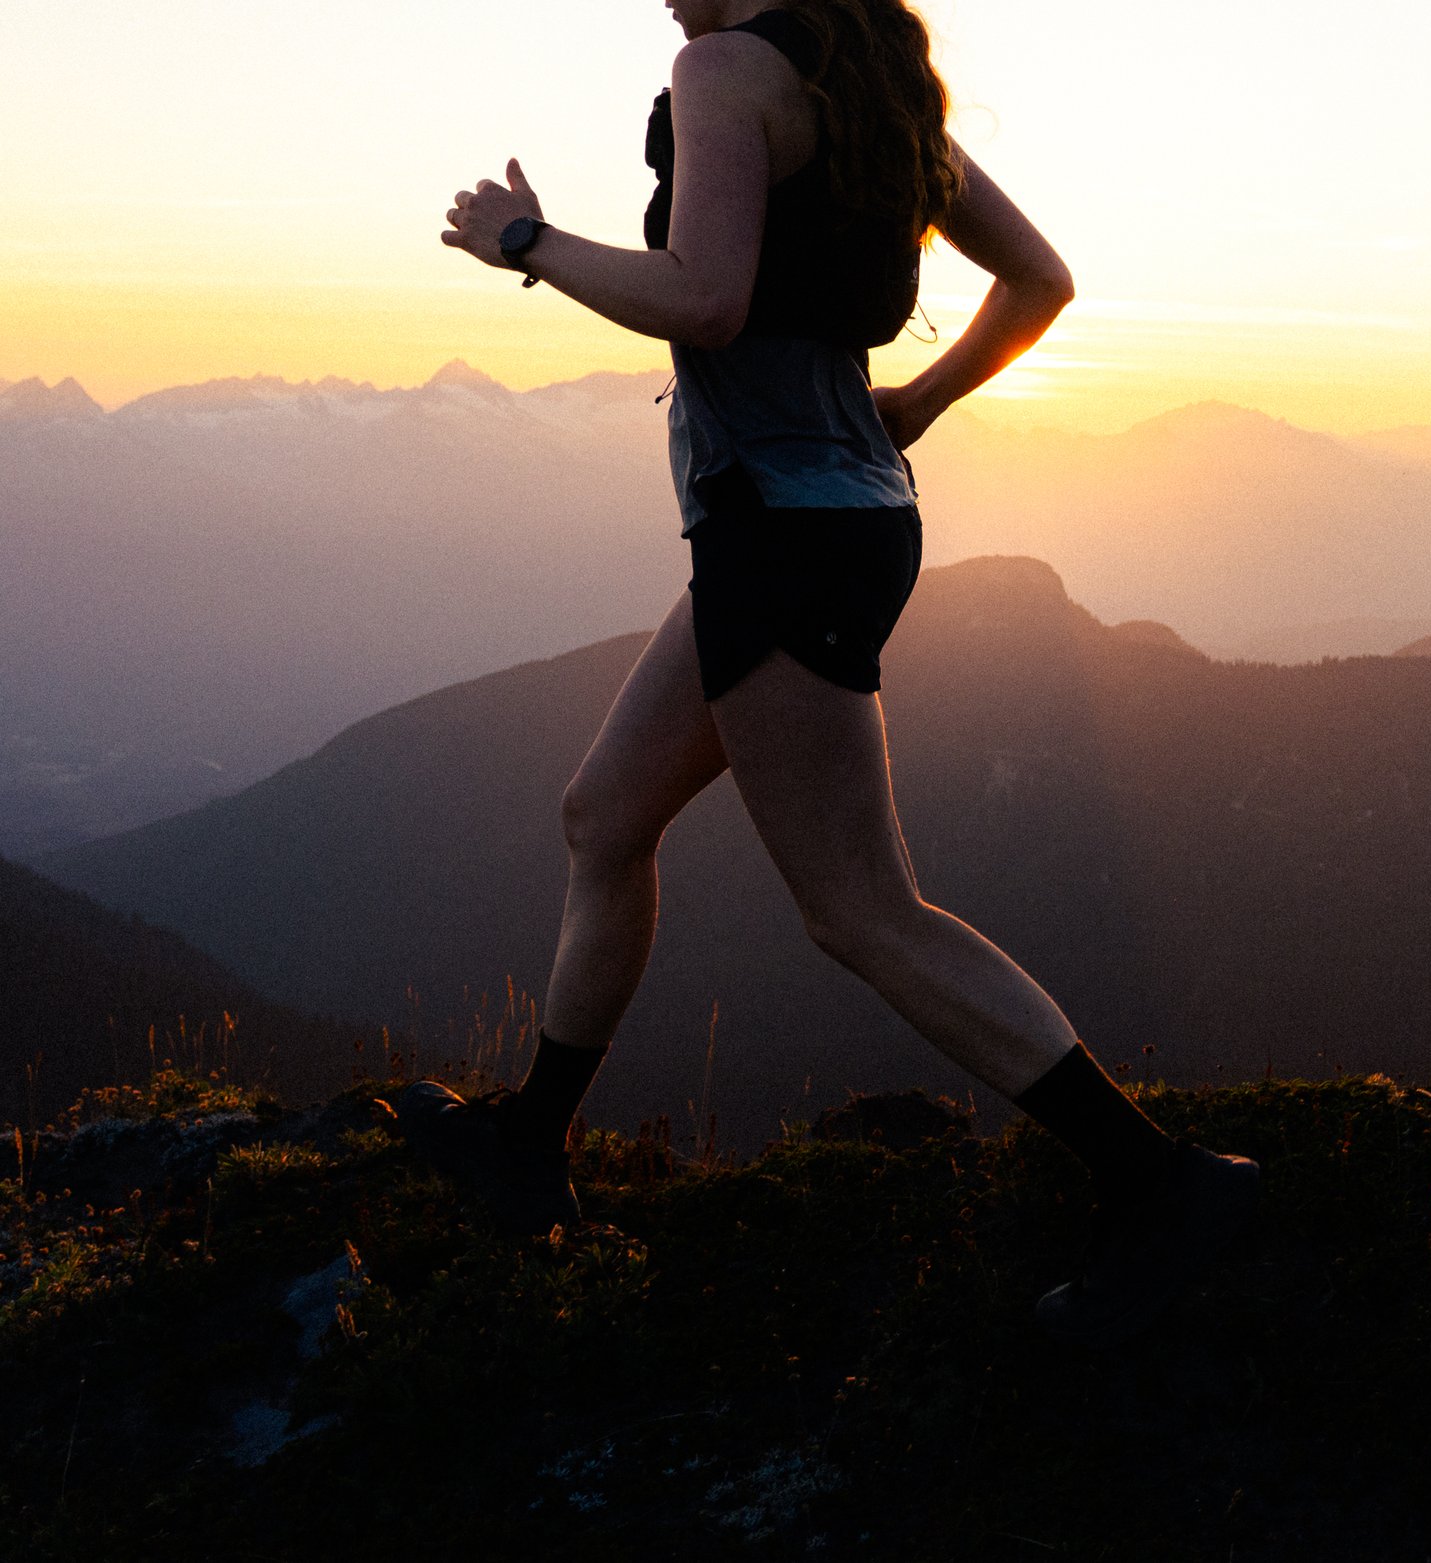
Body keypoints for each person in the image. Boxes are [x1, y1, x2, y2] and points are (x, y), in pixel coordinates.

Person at [415, 0, 1256, 1347]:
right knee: (604, 815)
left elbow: (707, 296)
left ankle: (1167, 1184)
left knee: (863, 909)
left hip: (780, 535)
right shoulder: (871, 86)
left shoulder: (723, 72)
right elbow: (1042, 279)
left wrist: (527, 242)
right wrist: (916, 405)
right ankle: (529, 1141)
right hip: (836, 516)